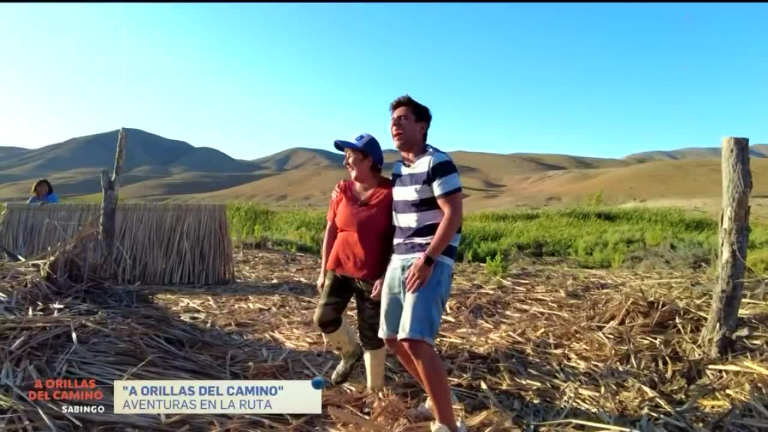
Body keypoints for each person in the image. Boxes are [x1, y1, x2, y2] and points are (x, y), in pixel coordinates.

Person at [314, 133, 395, 393]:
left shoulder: (391, 193)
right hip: (338, 269)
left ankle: (375, 391)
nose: (345, 161)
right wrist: (323, 270)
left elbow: (398, 238)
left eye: (350, 156)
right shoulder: (342, 190)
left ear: (369, 160)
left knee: (372, 335)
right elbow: (331, 231)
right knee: (324, 318)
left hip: (372, 274)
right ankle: (350, 352)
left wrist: (386, 275)